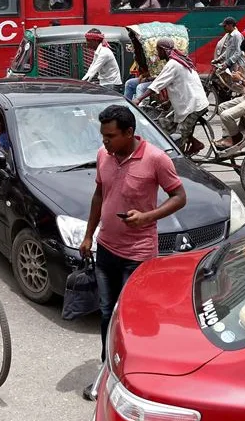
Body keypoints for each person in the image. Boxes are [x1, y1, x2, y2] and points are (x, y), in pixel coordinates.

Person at [79, 104, 186, 401]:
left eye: (111, 136)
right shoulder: (104, 156)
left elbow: (179, 196)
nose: (105, 142)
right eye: (103, 136)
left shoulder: (155, 159)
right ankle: (105, 372)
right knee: (105, 315)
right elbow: (99, 195)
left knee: (130, 321)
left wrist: (148, 217)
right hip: (106, 249)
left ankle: (132, 379)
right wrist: (88, 235)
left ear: (129, 133)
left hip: (138, 255)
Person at [132, 39, 207, 155]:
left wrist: (139, 99)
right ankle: (195, 143)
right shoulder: (177, 62)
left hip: (193, 106)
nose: (157, 53)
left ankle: (180, 162)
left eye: (158, 50)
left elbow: (155, 86)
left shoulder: (173, 64)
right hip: (186, 102)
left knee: (179, 136)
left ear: (162, 50)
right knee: (163, 124)